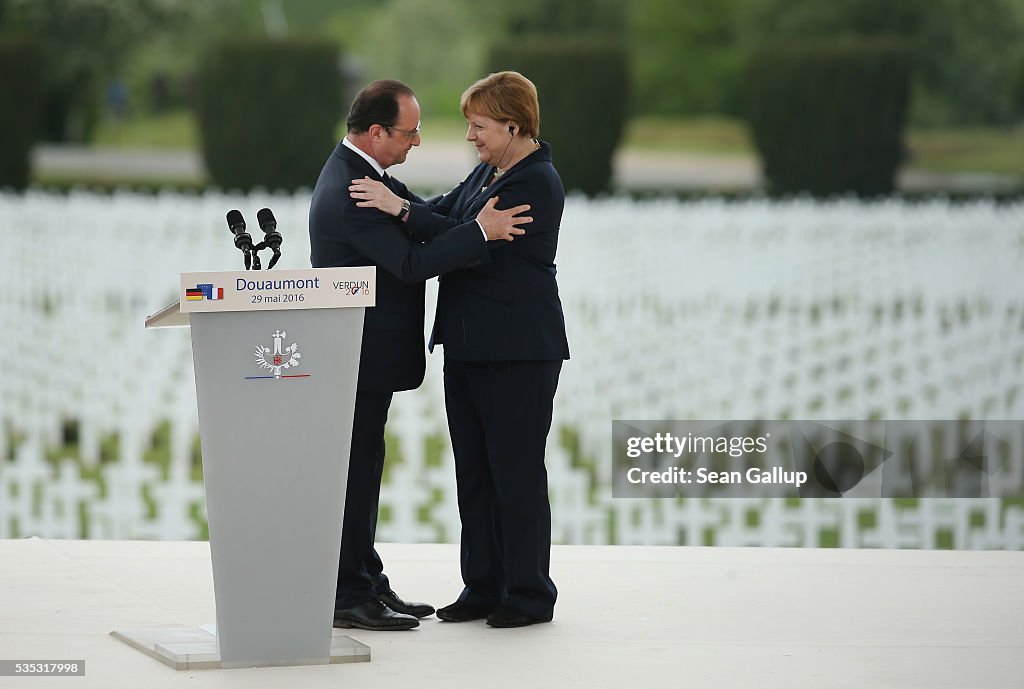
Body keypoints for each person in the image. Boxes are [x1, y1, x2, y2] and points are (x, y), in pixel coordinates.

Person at [309, 79, 532, 631]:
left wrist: (415, 211)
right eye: (409, 133)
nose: (417, 142)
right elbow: (410, 264)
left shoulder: (369, 179)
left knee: (364, 468)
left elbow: (422, 213)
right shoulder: (353, 192)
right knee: (355, 472)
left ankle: (366, 578)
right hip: (355, 357)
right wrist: (479, 233)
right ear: (378, 131)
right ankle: (347, 592)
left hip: (367, 357)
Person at [349, 71, 569, 628]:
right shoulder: (491, 171)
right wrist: (397, 198)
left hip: (517, 349)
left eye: (479, 126)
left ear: (513, 125)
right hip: (470, 344)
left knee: (515, 472)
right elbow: (450, 217)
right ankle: (484, 585)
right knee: (474, 471)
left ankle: (527, 594)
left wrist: (399, 210)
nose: (471, 136)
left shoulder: (533, 183)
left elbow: (467, 240)